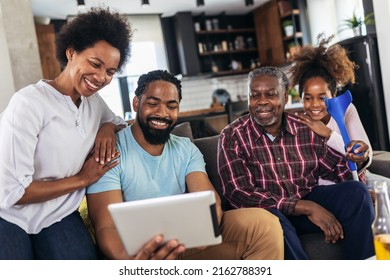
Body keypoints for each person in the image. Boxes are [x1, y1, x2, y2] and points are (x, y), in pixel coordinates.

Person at [86, 69, 284, 260]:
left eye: (171, 106)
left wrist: (207, 227)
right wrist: (133, 261)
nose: (162, 113)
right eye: (153, 104)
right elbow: (105, 226)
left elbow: (208, 199)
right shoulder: (110, 150)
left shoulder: (185, 149)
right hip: (139, 251)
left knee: (265, 225)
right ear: (136, 103)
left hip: (186, 242)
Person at [0, 7, 132, 259]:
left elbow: (121, 123)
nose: (101, 77)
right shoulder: (29, 103)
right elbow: (13, 192)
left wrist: (108, 127)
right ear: (71, 52)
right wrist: (83, 179)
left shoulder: (93, 103)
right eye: (95, 64)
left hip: (58, 215)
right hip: (8, 214)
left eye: (110, 72)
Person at [217, 66, 375, 260]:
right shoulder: (233, 135)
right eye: (254, 95)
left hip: (305, 199)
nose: (262, 102)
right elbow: (239, 194)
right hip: (268, 212)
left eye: (271, 94)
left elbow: (336, 170)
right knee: (275, 223)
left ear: (285, 96)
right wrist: (306, 206)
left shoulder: (303, 126)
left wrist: (357, 160)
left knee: (357, 193)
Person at [289, 34, 390, 189]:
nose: (314, 105)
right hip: (331, 190)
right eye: (308, 98)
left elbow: (365, 155)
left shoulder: (346, 110)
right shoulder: (297, 125)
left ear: (333, 95)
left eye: (322, 98)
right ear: (301, 98)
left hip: (359, 178)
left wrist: (329, 134)